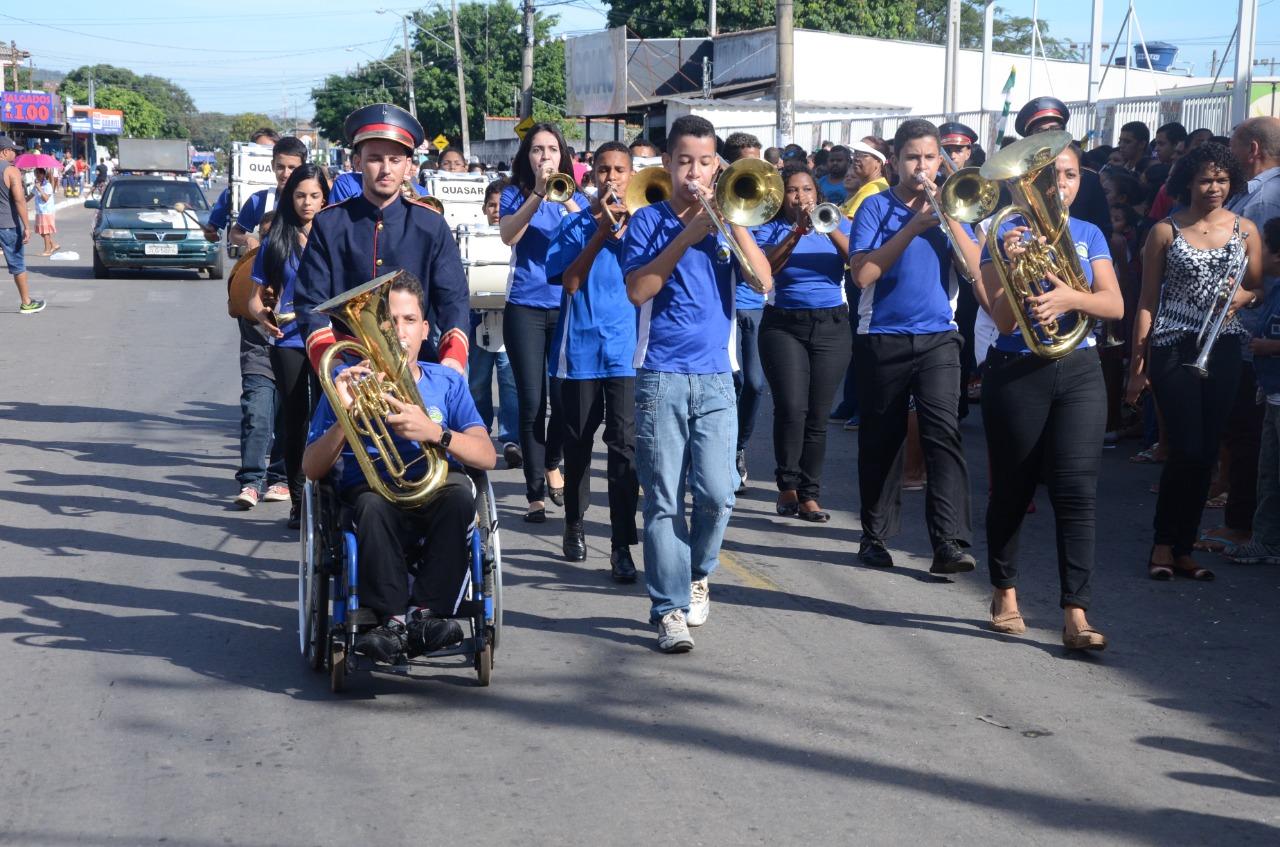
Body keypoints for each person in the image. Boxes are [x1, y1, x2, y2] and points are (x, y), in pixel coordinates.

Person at [623, 114, 773, 652]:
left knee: (717, 493)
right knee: (663, 499)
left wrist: (730, 222)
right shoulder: (646, 220)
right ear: (667, 162)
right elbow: (639, 291)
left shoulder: (730, 219)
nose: (693, 171)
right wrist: (688, 235)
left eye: (705, 162)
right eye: (684, 160)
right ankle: (667, 610)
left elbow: (763, 281)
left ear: (718, 167)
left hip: (715, 377)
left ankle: (697, 573)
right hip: (661, 374)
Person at [302, 273, 497, 663]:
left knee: (460, 495)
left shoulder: (447, 382)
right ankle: (389, 621)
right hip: (374, 494)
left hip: (436, 490)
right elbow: (310, 467)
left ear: (426, 329)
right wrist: (344, 416)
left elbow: (486, 455)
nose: (399, 331)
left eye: (410, 320)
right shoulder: (349, 381)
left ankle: (427, 615)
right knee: (372, 507)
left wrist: (435, 433)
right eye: (389, 321)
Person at [976, 142, 1124, 651]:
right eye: (1051, 175)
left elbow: (1113, 304)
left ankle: (1076, 613)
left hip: (1079, 368)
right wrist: (1009, 263)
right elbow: (998, 316)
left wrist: (1069, 298)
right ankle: (1004, 592)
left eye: (1070, 175)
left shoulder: (1088, 234)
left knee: (1077, 492)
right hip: (1018, 369)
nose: (1061, 185)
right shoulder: (1001, 234)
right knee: (1013, 490)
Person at [1126, 143, 1263, 582]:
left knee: (1206, 451)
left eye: (1222, 180)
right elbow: (1147, 301)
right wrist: (1137, 366)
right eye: (1206, 179)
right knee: (1185, 445)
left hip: (1222, 344)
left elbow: (1258, 285)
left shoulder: (1246, 230)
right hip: (1172, 343)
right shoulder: (1165, 230)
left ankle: (1184, 549)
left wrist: (1244, 296)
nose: (1214, 188)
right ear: (1188, 181)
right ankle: (1163, 543)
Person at [849, 119, 980, 574]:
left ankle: (949, 542)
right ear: (896, 161)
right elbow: (863, 275)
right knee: (882, 439)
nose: (921, 167)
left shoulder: (955, 205)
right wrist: (912, 226)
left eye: (929, 158)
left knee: (943, 433)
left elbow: (975, 271)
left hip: (939, 335)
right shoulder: (876, 207)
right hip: (881, 333)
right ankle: (875, 537)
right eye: (912, 158)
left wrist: (947, 218)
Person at [294, 103, 471, 379]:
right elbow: (309, 303)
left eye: (395, 160)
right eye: (375, 158)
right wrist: (334, 366)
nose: (386, 169)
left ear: (409, 166)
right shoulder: (329, 224)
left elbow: (454, 300)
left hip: (416, 369)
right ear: (357, 162)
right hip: (347, 366)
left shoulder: (431, 225)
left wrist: (453, 358)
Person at [545, 141, 640, 580]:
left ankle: (622, 544)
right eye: (604, 169)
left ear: (631, 175)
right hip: (580, 349)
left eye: (620, 170)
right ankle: (575, 523)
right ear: (592, 175)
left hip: (625, 351)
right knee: (578, 443)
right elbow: (568, 282)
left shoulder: (643, 224)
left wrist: (625, 227)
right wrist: (600, 229)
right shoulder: (574, 224)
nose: (612, 177)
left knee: (623, 448)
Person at [498, 122, 585, 523]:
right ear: (526, 156)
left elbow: (591, 236)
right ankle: (535, 492)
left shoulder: (578, 197)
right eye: (537, 150)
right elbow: (509, 236)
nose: (544, 156)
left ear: (563, 155)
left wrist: (566, 199)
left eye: (551, 149)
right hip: (525, 307)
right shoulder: (514, 194)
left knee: (565, 400)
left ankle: (553, 461)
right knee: (533, 401)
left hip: (567, 306)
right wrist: (537, 193)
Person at [754, 165, 852, 522]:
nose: (801, 198)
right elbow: (766, 271)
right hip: (784, 326)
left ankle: (811, 494)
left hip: (832, 324)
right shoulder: (769, 229)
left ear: (818, 194)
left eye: (807, 190)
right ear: (783, 198)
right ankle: (788, 487)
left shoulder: (835, 222)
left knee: (818, 413)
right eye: (793, 191)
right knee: (792, 408)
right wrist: (797, 230)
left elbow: (856, 261)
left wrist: (829, 227)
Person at [1201, 116, 1280, 553]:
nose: (1228, 153)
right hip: (1250, 324)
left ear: (1251, 149)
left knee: (1248, 437)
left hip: (1255, 328)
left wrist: (1239, 290)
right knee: (1246, 434)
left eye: (1233, 145)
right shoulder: (1258, 192)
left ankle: (1244, 527)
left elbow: (1264, 261)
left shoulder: (1268, 196)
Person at [246, 163, 330, 518]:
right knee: (294, 421)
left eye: (314, 196)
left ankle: (330, 496)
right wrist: (262, 317)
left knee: (327, 418)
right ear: (288, 198)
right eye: (299, 196)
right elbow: (253, 298)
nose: (307, 203)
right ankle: (299, 501)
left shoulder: (336, 235)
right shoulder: (275, 242)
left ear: (325, 199)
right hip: (289, 340)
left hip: (331, 338)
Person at [1227, 218, 1280, 565]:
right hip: (1272, 394)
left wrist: (1271, 347)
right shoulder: (1275, 288)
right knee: (1269, 472)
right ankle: (1267, 541)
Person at [721, 133, 768, 492]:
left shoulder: (768, 198)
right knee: (728, 384)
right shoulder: (717, 198)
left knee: (753, 383)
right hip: (724, 307)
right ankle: (718, 452)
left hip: (754, 307)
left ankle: (737, 447)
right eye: (745, 163)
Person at [469, 179, 521, 469]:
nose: (497, 211)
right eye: (492, 205)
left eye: (502, 206)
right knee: (477, 380)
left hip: (509, 319)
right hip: (479, 320)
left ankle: (511, 438)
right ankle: (478, 433)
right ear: (484, 208)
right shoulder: (472, 236)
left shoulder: (518, 235)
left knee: (509, 380)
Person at [1015, 97, 1111, 239]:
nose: (1049, 136)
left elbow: (1103, 230)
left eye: (1055, 129)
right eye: (1040, 132)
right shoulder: (1017, 182)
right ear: (1029, 139)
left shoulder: (1089, 181)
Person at [229, 136, 307, 252]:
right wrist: (248, 240)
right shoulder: (258, 200)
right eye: (280, 167)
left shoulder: (313, 202)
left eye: (292, 168)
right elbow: (234, 234)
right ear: (272, 165)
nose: (286, 174)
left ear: (303, 168)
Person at [0, 136, 43, 314]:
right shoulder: (11, 171)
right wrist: (27, 226)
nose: (15, 154)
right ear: (4, 151)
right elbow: (19, 200)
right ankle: (26, 302)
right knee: (17, 264)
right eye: (13, 151)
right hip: (8, 224)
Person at [32, 168, 59, 256]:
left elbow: (46, 198)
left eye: (38, 174)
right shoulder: (36, 185)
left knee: (45, 232)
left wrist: (39, 188)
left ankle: (47, 250)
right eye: (35, 174)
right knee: (41, 231)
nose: (37, 176)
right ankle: (53, 245)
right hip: (39, 211)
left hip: (46, 211)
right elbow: (30, 196)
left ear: (43, 175)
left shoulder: (47, 185)